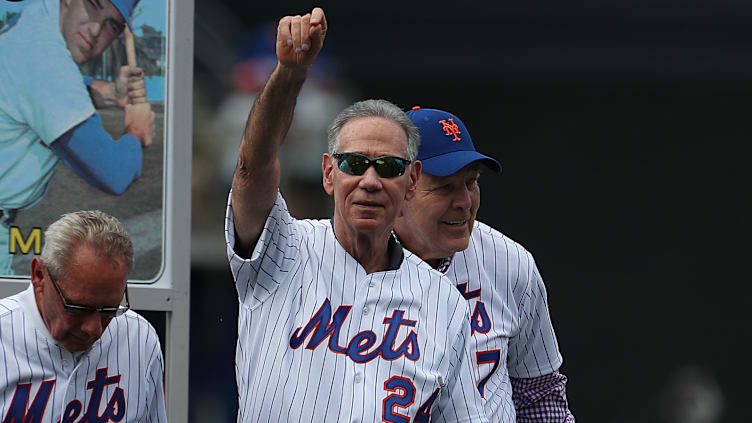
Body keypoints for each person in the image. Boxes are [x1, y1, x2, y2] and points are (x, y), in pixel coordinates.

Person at [225, 8, 486, 422]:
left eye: (387, 167)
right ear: (329, 172)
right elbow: (252, 167)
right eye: (354, 164)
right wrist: (291, 74)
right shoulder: (284, 249)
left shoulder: (445, 303)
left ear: (411, 182)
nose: (369, 180)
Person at [394, 107, 575, 422]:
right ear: (399, 189)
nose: (464, 201)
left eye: (471, 183)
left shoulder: (508, 262)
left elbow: (539, 396)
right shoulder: (347, 263)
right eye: (445, 187)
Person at [0, 0, 155, 275]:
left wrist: (101, 91)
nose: (96, 30)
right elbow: (113, 172)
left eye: (113, 24)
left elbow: (37, 85)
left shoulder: (40, 18)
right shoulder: (46, 61)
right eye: (94, 4)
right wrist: (136, 131)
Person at [0, 210, 167, 422]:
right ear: (39, 276)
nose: (94, 328)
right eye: (78, 308)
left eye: (109, 310)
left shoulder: (139, 338)